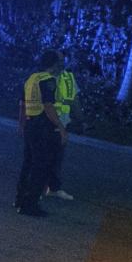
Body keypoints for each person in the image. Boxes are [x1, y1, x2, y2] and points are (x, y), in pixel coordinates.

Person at [15, 49, 68, 217]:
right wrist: (60, 127)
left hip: (31, 125)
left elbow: (22, 104)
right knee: (40, 167)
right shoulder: (48, 80)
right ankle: (30, 205)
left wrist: (22, 124)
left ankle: (20, 199)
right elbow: (48, 106)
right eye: (59, 61)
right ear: (53, 63)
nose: (62, 64)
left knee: (28, 164)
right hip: (42, 127)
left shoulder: (32, 78)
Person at [45, 62, 79, 201]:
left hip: (60, 123)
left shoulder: (68, 78)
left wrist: (79, 119)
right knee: (43, 157)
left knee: (56, 158)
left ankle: (52, 188)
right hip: (46, 123)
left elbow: (74, 100)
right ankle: (38, 188)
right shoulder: (44, 77)